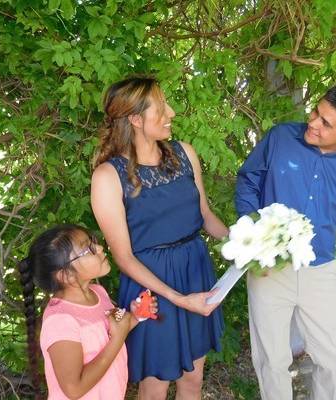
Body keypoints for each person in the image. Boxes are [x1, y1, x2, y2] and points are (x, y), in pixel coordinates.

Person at [90, 76, 228, 399]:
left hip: (195, 273)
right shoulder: (107, 177)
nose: (172, 112)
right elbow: (123, 258)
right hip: (151, 290)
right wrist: (177, 298)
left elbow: (206, 217)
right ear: (135, 119)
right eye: (161, 107)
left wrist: (250, 242)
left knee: (193, 380)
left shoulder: (185, 154)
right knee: (154, 388)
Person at [235, 85, 336, 400]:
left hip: (320, 271)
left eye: (326, 123)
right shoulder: (280, 138)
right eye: (315, 112)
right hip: (270, 267)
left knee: (331, 356)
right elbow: (248, 179)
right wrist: (253, 231)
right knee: (272, 359)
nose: (313, 123)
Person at [18, 224, 154, 399]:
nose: (99, 248)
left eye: (93, 242)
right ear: (66, 275)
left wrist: (137, 316)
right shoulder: (60, 321)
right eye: (88, 249)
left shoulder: (98, 292)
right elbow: (74, 389)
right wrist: (118, 339)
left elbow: (112, 332)